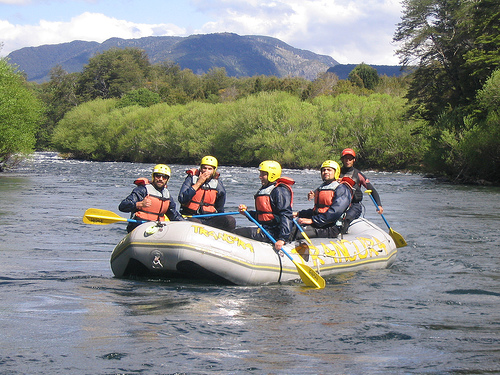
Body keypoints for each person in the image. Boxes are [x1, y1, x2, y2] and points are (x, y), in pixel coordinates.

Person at [236, 160, 294, 252]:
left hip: (274, 233)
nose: (260, 177)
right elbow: (263, 216)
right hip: (266, 229)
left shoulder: (279, 191)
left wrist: (282, 239)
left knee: (236, 233)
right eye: (260, 174)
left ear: (272, 175)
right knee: (238, 231)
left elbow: (286, 215)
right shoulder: (266, 189)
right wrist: (246, 213)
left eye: (263, 174)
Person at [294, 160, 353, 238]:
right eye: (323, 170)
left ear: (336, 172)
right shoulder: (322, 188)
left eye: (329, 170)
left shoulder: (341, 189)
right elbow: (318, 210)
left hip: (331, 227)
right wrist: (298, 214)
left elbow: (335, 212)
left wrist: (313, 220)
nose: (325, 172)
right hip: (320, 223)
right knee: (291, 225)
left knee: (295, 231)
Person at [119, 164, 184, 232]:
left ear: (167, 179)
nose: (160, 179)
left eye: (164, 177)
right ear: (153, 177)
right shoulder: (142, 190)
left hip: (158, 228)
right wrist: (139, 204)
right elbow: (122, 206)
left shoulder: (167, 195)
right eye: (158, 176)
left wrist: (186, 223)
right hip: (139, 227)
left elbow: (173, 215)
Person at [178, 155, 236, 232]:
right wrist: (198, 183)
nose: (206, 171)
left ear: (214, 170)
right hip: (191, 216)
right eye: (204, 168)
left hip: (209, 218)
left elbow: (220, 207)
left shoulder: (218, 184)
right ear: (200, 168)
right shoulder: (191, 179)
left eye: (209, 169)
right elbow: (182, 199)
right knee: (196, 224)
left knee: (230, 220)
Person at [339, 148, 383, 233]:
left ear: (354, 160)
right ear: (342, 159)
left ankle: (342, 237)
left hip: (354, 206)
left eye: (350, 158)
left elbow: (372, 190)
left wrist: (379, 205)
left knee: (346, 219)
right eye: (346, 158)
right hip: (339, 204)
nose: (348, 160)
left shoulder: (358, 174)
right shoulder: (337, 173)